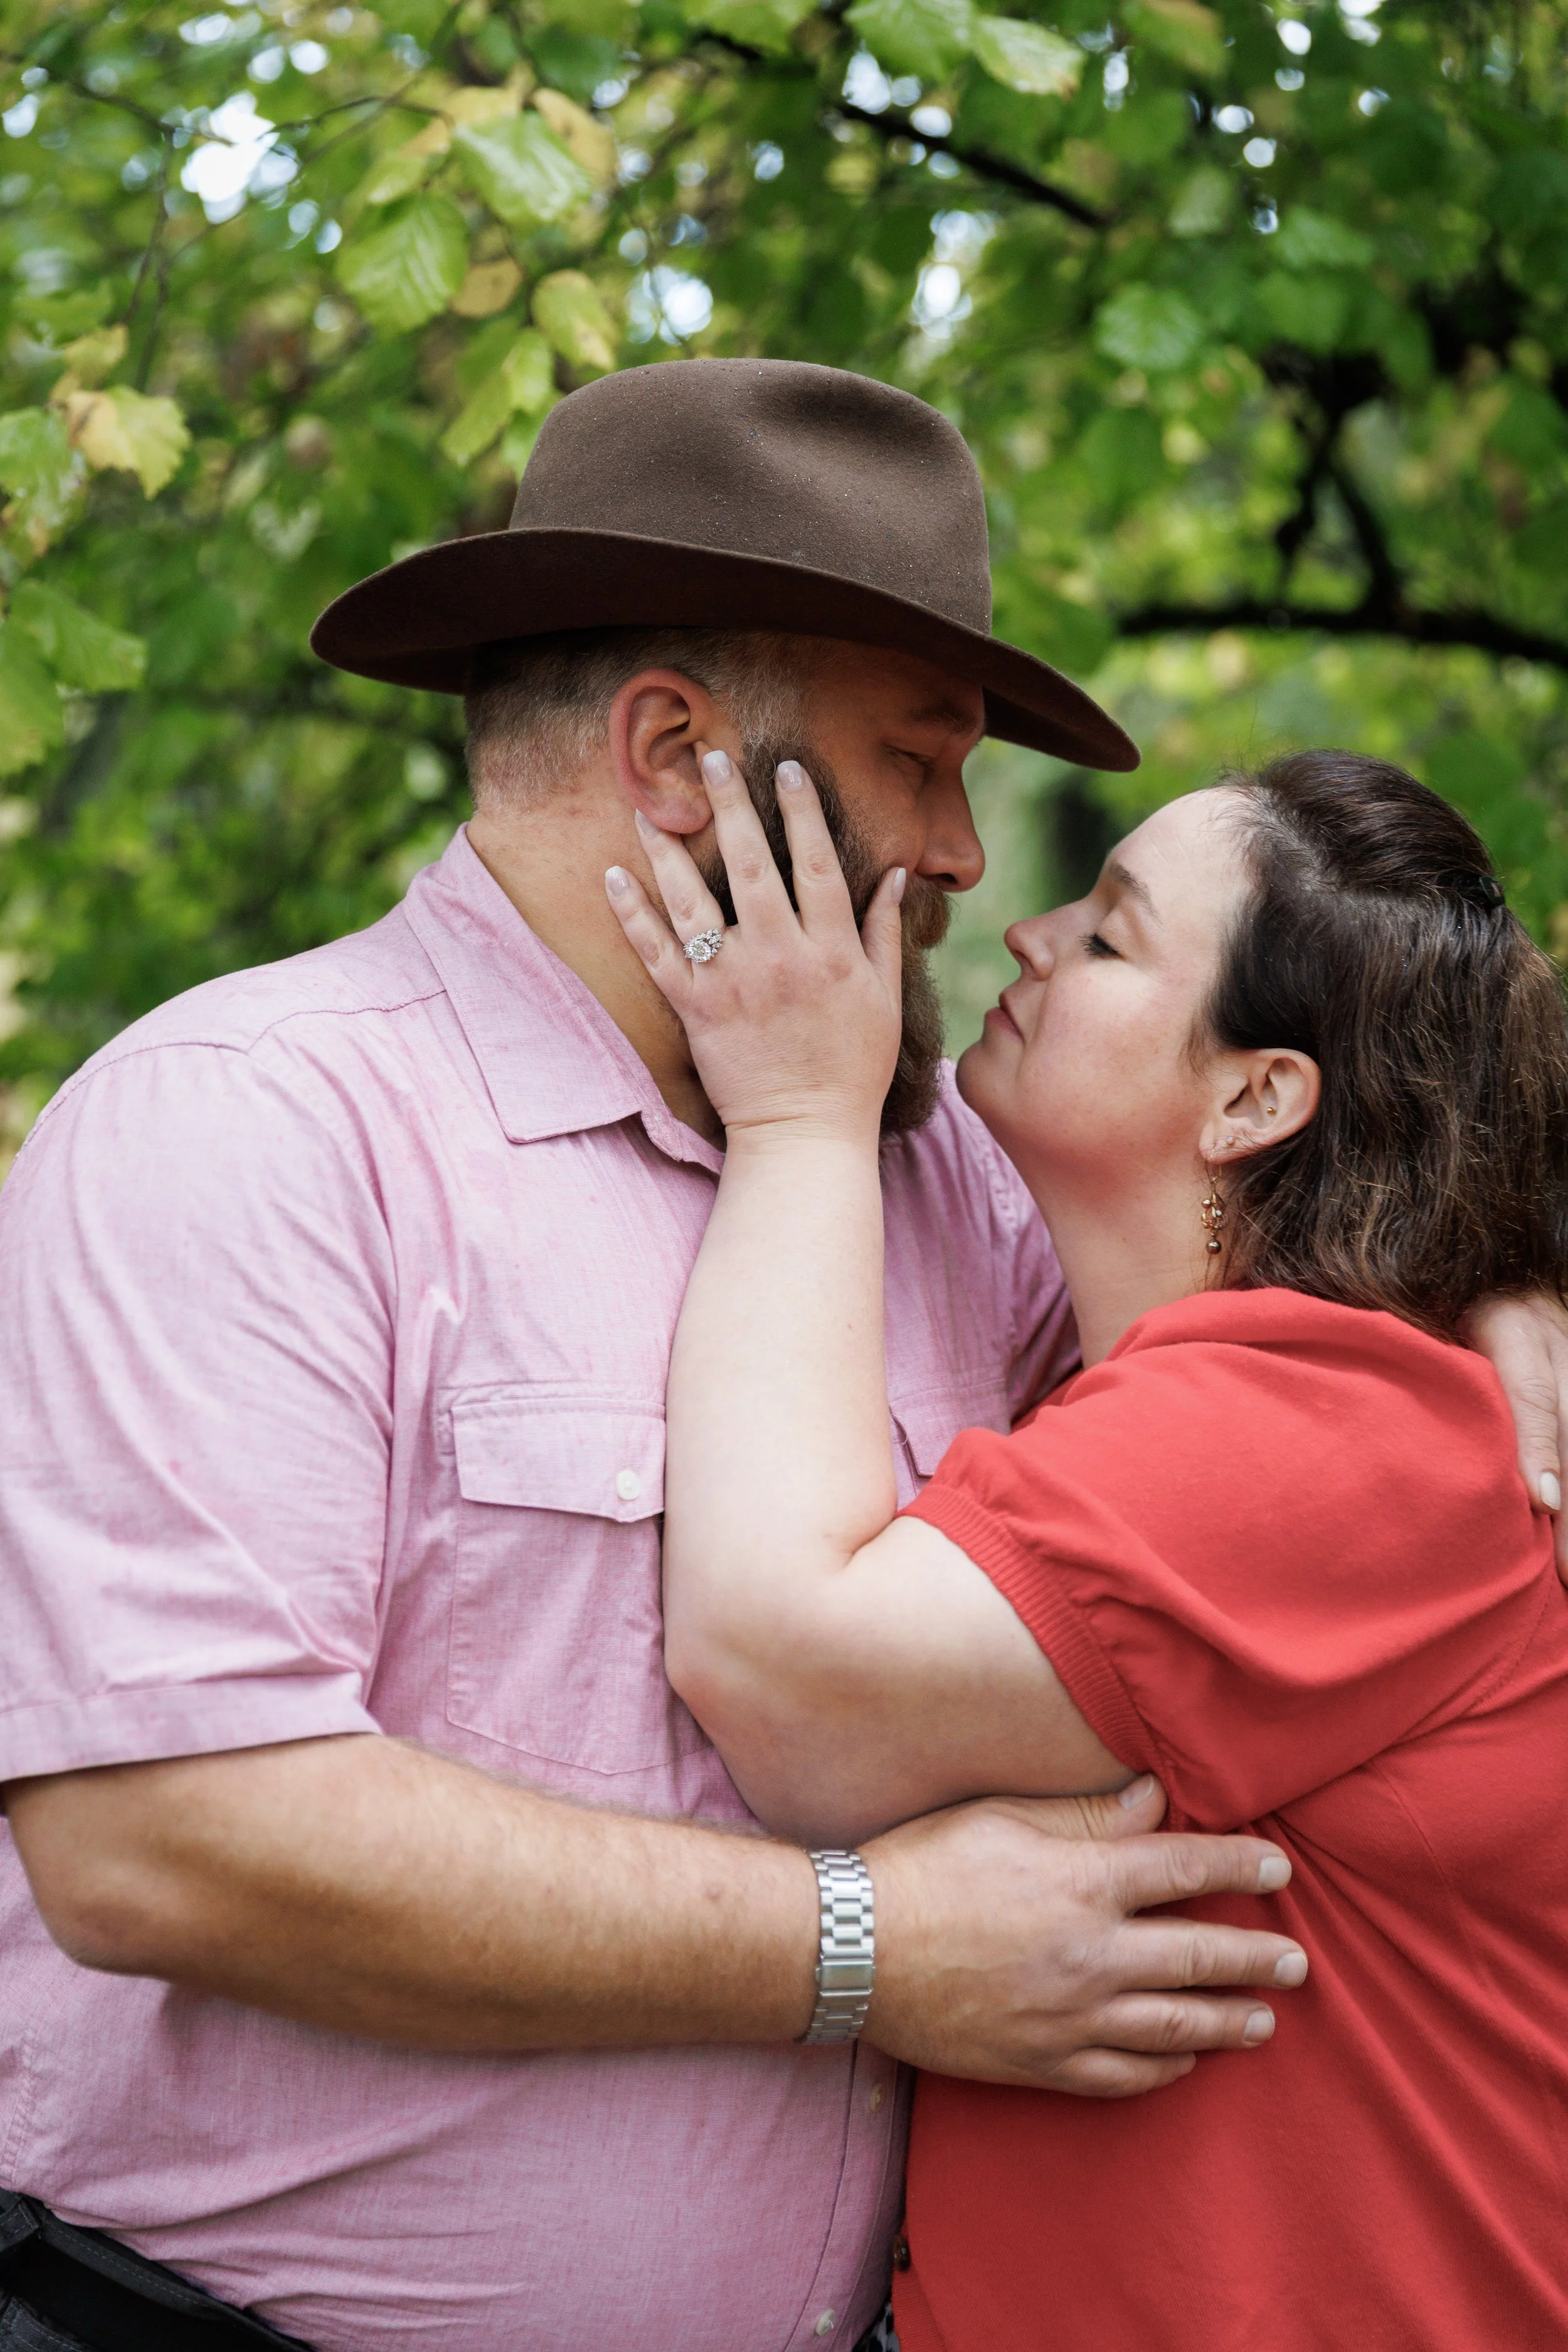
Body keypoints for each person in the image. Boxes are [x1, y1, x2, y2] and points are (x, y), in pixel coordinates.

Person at [0, 360, 1324, 2352]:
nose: (966, 855)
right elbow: (161, 1837)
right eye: (920, 759)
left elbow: (1272, 1334)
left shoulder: (946, 1177)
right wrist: (867, 1948)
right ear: (680, 751)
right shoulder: (251, 1122)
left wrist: (1513, 1322)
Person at [610, 744, 1568, 2350]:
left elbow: (785, 1673)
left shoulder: (1332, 1423)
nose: (1030, 931)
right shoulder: (1265, 1391)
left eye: (1112, 934)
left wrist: (793, 1117)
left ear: (1256, 1096)